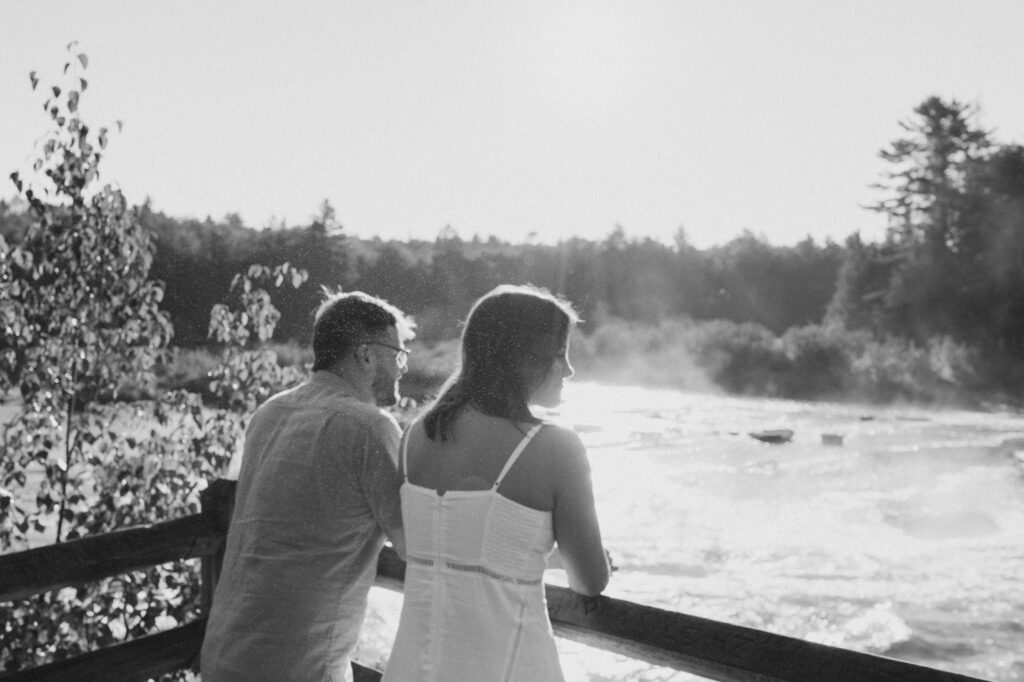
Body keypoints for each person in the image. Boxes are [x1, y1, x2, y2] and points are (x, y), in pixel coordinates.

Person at [383, 284, 611, 682]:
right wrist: (599, 559)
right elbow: (589, 581)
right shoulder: (556, 447)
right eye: (559, 352)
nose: (569, 369)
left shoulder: (416, 436)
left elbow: (449, 543)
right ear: (519, 355)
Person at [200, 291, 413, 682]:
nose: (402, 368)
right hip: (300, 664)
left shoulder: (270, 411)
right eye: (398, 354)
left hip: (226, 653)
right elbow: (414, 542)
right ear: (365, 354)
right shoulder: (370, 427)